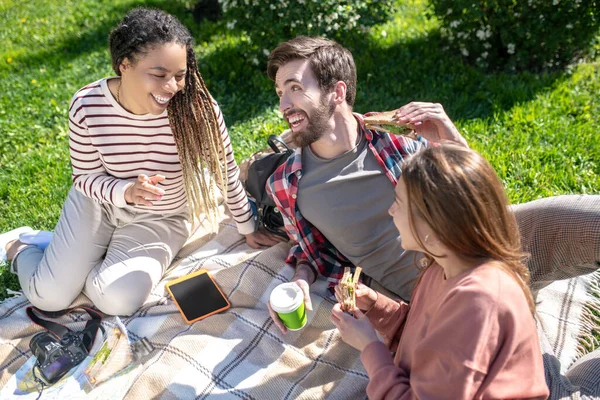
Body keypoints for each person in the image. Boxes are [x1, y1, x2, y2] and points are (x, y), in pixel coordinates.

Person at [0, 7, 283, 316]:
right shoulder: (87, 105)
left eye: (180, 75)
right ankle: (21, 247)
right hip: (98, 205)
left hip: (162, 218)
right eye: (159, 75)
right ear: (125, 65)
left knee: (116, 300)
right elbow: (84, 178)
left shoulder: (198, 110)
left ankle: (78, 258)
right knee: (50, 298)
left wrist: (247, 225)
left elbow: (225, 170)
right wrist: (126, 192)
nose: (172, 88)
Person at [264, 36, 468, 332]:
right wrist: (300, 280)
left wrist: (452, 139)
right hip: (436, 300)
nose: (283, 105)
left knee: (561, 214)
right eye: (280, 93)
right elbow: (308, 249)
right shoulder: (288, 185)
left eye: (295, 88)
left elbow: (476, 196)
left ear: (337, 92)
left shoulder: (398, 139)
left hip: (474, 255)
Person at [330, 144, 549, 399]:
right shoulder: (443, 265)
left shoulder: (478, 301)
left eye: (398, 202)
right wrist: (376, 308)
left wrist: (369, 347)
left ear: (434, 225)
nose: (391, 211)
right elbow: (424, 340)